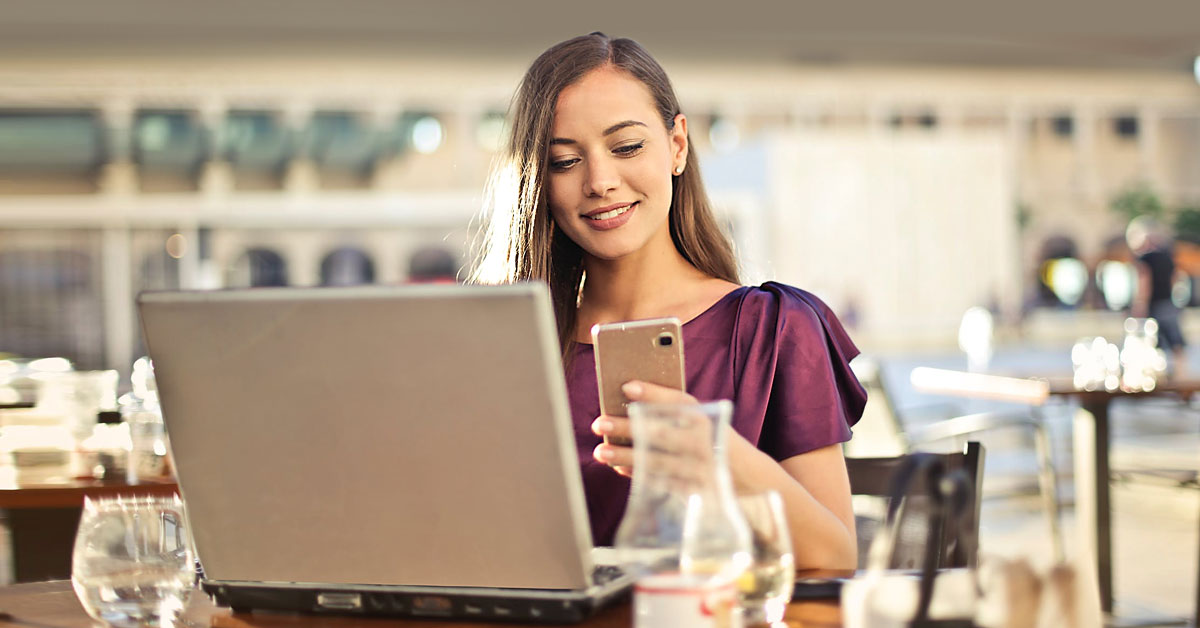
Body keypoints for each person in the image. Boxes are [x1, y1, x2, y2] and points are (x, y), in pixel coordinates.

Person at [472, 33, 866, 570]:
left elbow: (837, 555)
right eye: (564, 161)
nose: (600, 182)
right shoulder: (506, 343)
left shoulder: (773, 328)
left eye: (627, 147)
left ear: (677, 145)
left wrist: (718, 458)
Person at [1127, 216, 1188, 376]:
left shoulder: (1145, 259)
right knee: (1175, 341)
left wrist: (1140, 304)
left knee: (1148, 340)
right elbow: (1176, 278)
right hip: (1168, 302)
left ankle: (1150, 374)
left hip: (1153, 304)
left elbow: (1144, 282)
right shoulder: (1167, 257)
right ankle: (1181, 373)